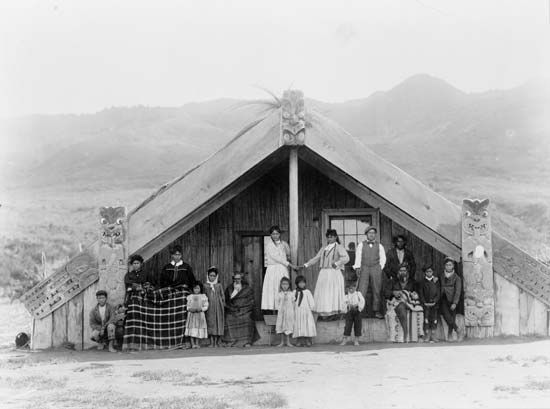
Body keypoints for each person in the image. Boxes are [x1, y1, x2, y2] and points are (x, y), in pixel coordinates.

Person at [303, 229, 349, 316]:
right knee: (324, 291)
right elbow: (316, 258)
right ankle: (326, 312)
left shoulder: (339, 247)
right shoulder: (324, 248)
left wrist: (337, 263)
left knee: (332, 291)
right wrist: (306, 265)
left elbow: (346, 258)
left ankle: (335, 311)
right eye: (328, 237)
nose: (329, 239)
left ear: (335, 237)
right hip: (324, 272)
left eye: (331, 237)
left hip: (334, 272)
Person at [383, 264, 423, 342]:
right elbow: (385, 293)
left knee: (416, 309)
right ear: (398, 272)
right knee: (401, 306)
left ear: (407, 272)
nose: (403, 272)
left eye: (404, 270)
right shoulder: (392, 281)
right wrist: (393, 292)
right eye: (401, 270)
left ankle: (419, 335)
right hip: (396, 304)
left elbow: (418, 293)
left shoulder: (413, 282)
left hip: (410, 303)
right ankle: (406, 332)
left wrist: (413, 294)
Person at [354, 226, 386, 319]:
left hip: (376, 268)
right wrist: (357, 267)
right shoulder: (361, 245)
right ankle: (359, 311)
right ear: (366, 234)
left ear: (375, 235)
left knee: (377, 289)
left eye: (373, 233)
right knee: (361, 289)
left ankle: (376, 311)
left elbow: (383, 258)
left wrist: (380, 268)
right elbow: (358, 257)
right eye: (369, 233)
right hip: (364, 267)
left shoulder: (379, 246)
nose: (371, 235)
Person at [262, 226, 296, 312]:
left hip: (282, 269)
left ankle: (285, 311)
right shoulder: (269, 245)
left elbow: (288, 255)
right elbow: (276, 258)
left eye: (277, 233)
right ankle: (274, 312)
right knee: (273, 289)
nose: (275, 235)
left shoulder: (284, 244)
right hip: (272, 269)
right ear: (270, 235)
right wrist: (290, 265)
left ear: (279, 234)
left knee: (282, 287)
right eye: (273, 234)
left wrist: (288, 259)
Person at [223, 272, 260, 347]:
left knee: (247, 318)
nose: (237, 280)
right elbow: (226, 301)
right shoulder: (229, 288)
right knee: (228, 318)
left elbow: (251, 301)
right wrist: (232, 308)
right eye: (235, 279)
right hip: (232, 310)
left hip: (245, 310)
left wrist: (244, 309)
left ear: (241, 279)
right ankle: (231, 341)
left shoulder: (247, 289)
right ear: (233, 279)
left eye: (238, 279)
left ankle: (247, 342)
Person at [440, 257, 463, 342]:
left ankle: (450, 335)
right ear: (444, 266)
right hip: (443, 298)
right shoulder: (441, 275)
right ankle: (458, 330)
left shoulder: (457, 278)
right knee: (447, 315)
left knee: (451, 317)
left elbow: (458, 291)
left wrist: (455, 303)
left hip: (452, 299)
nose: (448, 267)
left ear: (453, 266)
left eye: (450, 265)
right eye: (446, 265)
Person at [292, 275, 317, 347]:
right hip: (298, 311)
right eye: (300, 283)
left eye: (303, 283)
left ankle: (307, 340)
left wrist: (312, 308)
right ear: (297, 283)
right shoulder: (294, 292)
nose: (301, 284)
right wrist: (292, 310)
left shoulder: (307, 292)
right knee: (298, 325)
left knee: (307, 325)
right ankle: (299, 340)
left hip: (306, 312)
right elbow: (293, 302)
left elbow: (311, 301)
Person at [418, 265, 440, 343]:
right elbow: (421, 293)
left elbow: (438, 293)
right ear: (425, 273)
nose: (429, 273)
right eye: (427, 271)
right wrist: (424, 302)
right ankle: (427, 335)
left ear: (432, 272)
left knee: (434, 319)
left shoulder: (436, 281)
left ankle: (433, 336)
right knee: (426, 319)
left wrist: (435, 301)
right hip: (426, 304)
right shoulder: (422, 282)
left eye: (430, 271)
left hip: (434, 304)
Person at [204, 266, 225, 348]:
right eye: (210, 275)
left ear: (216, 276)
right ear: (207, 276)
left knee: (217, 323)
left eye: (214, 276)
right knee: (210, 322)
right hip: (209, 307)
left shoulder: (219, 285)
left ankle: (217, 341)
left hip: (218, 307)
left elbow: (222, 295)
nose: (212, 277)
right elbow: (204, 296)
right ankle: (211, 342)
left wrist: (223, 304)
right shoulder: (205, 285)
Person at [185, 282, 209, 348]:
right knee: (192, 329)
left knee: (198, 328)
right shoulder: (190, 297)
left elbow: (206, 306)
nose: (196, 290)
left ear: (200, 289)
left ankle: (197, 343)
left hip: (200, 315)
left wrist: (201, 309)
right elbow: (187, 306)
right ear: (192, 289)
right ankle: (193, 344)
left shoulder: (203, 296)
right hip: (192, 315)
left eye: (198, 288)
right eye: (195, 288)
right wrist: (190, 309)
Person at [275, 277, 295, 347]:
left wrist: (291, 310)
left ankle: (288, 342)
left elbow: (293, 303)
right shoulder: (279, 294)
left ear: (289, 285)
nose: (285, 286)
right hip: (281, 313)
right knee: (282, 326)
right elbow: (276, 303)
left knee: (288, 326)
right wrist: (280, 309)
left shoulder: (291, 294)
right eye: (283, 284)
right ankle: (282, 342)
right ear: (281, 285)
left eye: (286, 284)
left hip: (289, 312)